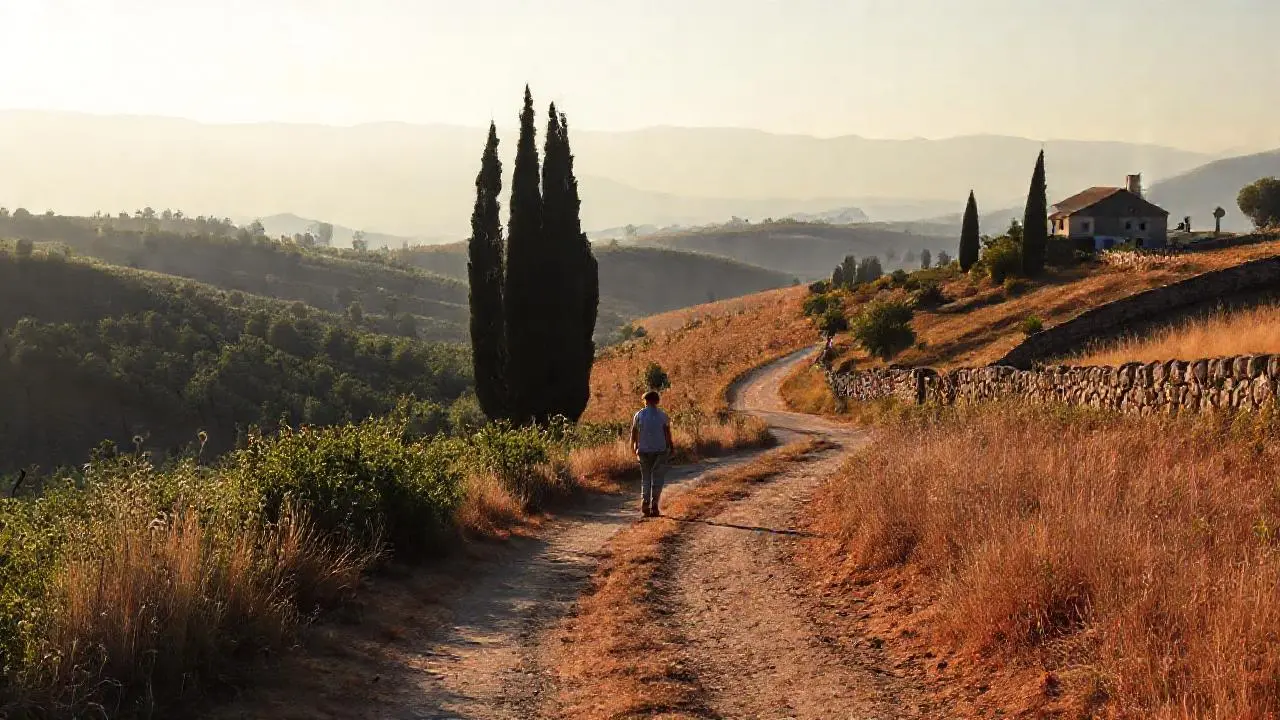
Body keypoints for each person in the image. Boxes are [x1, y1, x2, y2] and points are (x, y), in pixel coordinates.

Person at [631, 390, 674, 517]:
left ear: (645, 401)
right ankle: (654, 504)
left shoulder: (639, 415)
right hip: (660, 450)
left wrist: (634, 447)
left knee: (646, 478)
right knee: (658, 478)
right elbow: (667, 434)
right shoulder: (663, 416)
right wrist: (671, 447)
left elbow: (634, 434)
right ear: (657, 401)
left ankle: (645, 502)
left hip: (643, 451)